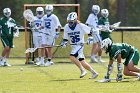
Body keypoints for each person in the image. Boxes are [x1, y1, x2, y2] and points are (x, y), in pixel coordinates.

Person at [61, 12, 98, 79]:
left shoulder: (80, 25)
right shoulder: (66, 27)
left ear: (75, 20)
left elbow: (90, 31)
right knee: (82, 61)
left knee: (72, 57)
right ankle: (94, 73)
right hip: (74, 46)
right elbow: (65, 38)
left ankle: (82, 70)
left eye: (71, 22)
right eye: (69, 22)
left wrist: (90, 38)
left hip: (79, 45)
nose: (70, 23)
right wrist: (64, 43)